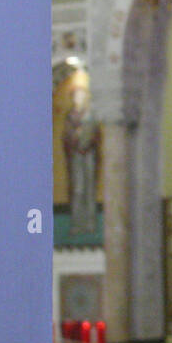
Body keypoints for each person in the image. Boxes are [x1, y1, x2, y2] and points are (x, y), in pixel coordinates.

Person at [63, 88, 102, 236]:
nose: (79, 99)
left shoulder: (91, 116)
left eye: (82, 96)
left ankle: (90, 224)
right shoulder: (70, 117)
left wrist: (90, 140)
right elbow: (66, 137)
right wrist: (75, 137)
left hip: (89, 155)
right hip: (76, 156)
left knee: (89, 189)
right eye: (77, 96)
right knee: (78, 189)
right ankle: (77, 224)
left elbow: (97, 135)